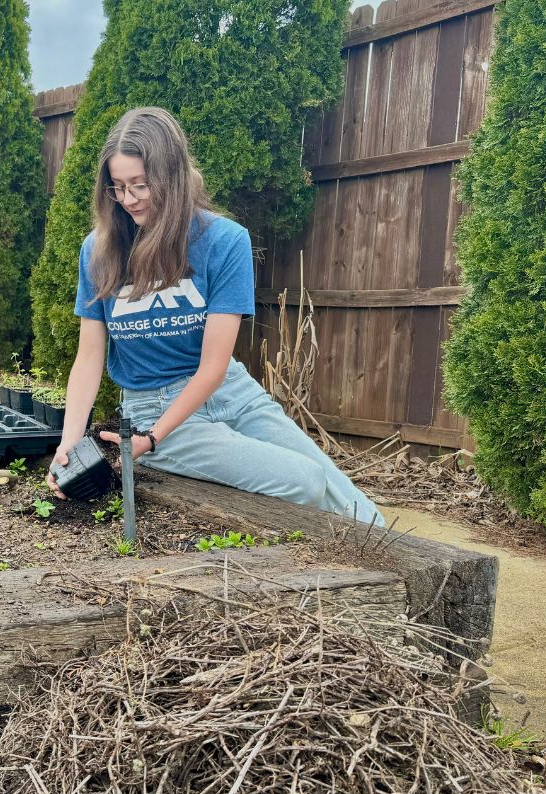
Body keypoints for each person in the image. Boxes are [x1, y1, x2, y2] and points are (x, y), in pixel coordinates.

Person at [45, 106, 384, 527]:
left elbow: (213, 367)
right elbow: (90, 356)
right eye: (117, 187)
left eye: (140, 186)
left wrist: (153, 439)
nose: (128, 200)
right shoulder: (99, 250)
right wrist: (72, 442)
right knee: (308, 482)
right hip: (152, 407)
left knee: (349, 500)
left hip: (229, 392)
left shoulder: (224, 241)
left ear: (172, 178)